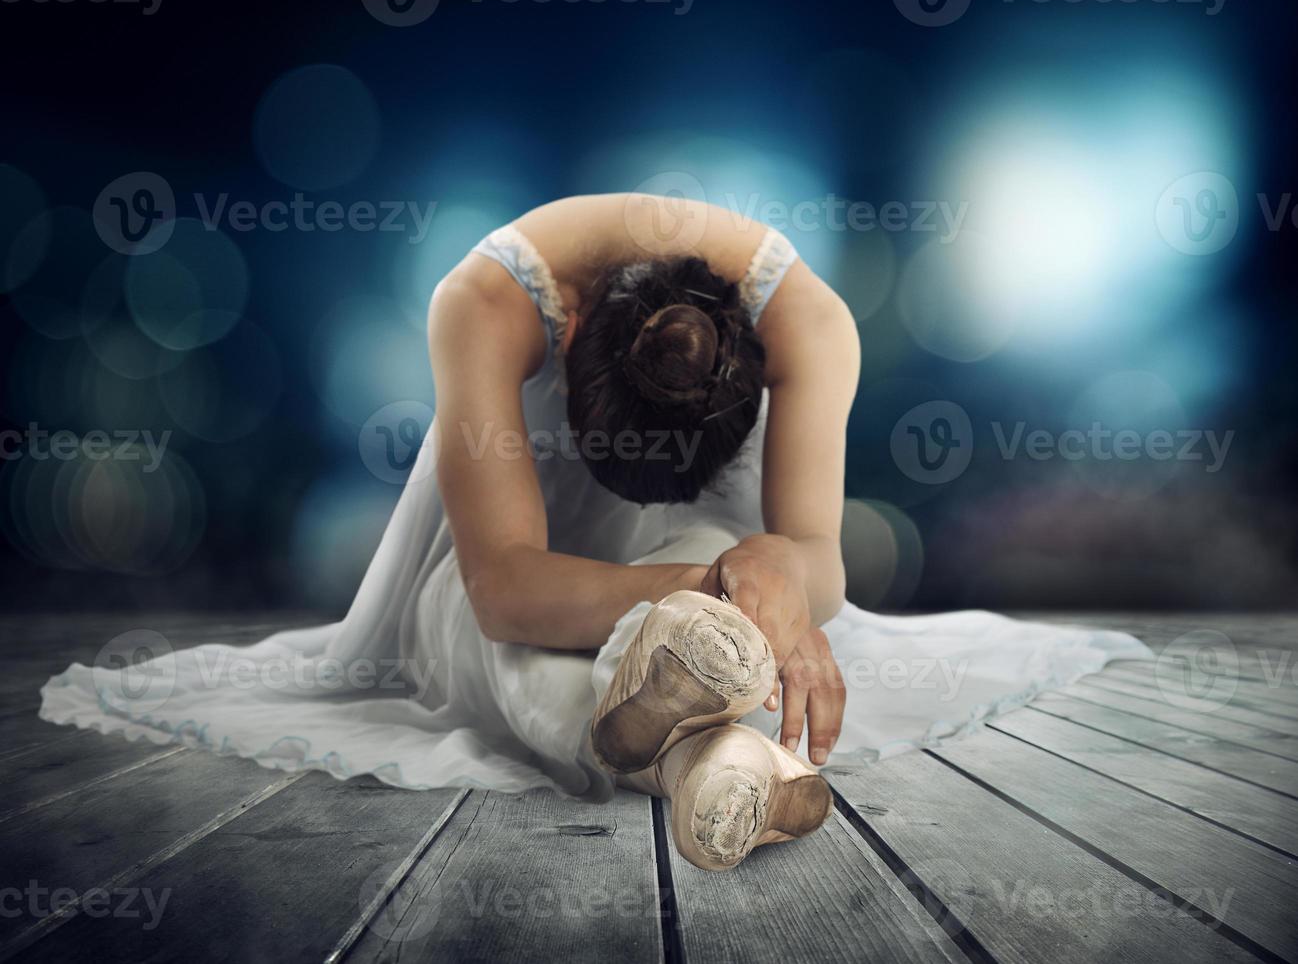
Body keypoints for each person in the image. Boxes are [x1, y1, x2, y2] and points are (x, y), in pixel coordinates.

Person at [41, 193, 1151, 871]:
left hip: (703, 560)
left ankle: (692, 738)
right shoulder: (483, 303)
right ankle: (720, 754)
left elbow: (815, 557)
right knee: (470, 636)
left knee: (720, 631)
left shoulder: (808, 322)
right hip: (522, 569)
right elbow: (506, 587)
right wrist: (719, 580)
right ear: (567, 328)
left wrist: (765, 562)